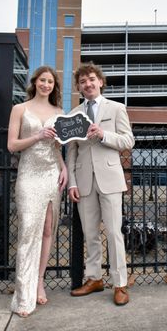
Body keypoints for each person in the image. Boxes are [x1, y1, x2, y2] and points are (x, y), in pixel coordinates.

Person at [66, 62, 135, 306]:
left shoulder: (116, 108)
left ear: (100, 82)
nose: (88, 84)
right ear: (79, 87)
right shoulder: (74, 114)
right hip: (84, 182)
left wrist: (103, 135)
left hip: (110, 179)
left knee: (115, 233)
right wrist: (71, 183)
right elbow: (71, 152)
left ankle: (120, 284)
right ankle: (94, 278)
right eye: (83, 81)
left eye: (92, 79)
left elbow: (128, 140)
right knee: (91, 234)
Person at [8, 65, 68, 318]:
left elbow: (57, 147)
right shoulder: (19, 109)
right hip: (29, 176)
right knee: (27, 232)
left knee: (47, 231)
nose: (46, 85)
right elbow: (12, 145)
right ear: (35, 82)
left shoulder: (59, 112)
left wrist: (64, 168)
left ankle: (40, 281)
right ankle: (24, 293)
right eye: (43, 80)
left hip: (53, 174)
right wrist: (37, 135)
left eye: (51, 82)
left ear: (54, 86)